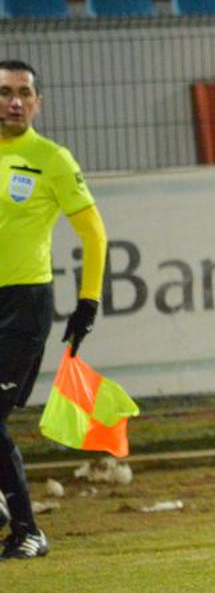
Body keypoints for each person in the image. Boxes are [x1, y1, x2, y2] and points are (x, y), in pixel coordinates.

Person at [0, 60, 107, 561]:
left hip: (23, 306)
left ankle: (28, 531)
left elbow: (93, 233)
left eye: (23, 93)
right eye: (4, 92)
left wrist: (88, 301)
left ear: (38, 103)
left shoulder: (51, 159)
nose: (14, 101)